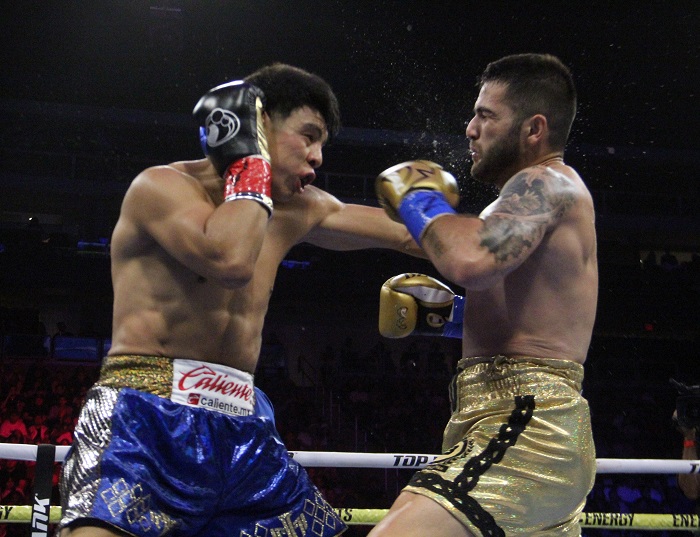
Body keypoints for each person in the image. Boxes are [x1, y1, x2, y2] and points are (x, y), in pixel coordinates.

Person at [57, 63, 423, 536]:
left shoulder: (302, 208)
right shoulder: (161, 187)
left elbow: (414, 236)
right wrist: (250, 160)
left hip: (245, 428)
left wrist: (498, 216)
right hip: (146, 414)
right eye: (308, 136)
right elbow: (229, 260)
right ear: (258, 122)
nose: (317, 157)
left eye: (322, 145)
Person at [372, 53, 597, 536]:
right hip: (522, 423)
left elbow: (469, 262)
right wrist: (300, 213)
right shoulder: (520, 206)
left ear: (533, 129)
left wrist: (417, 197)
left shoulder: (546, 182)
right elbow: (419, 238)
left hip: (526, 425)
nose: (470, 129)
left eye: (485, 116)